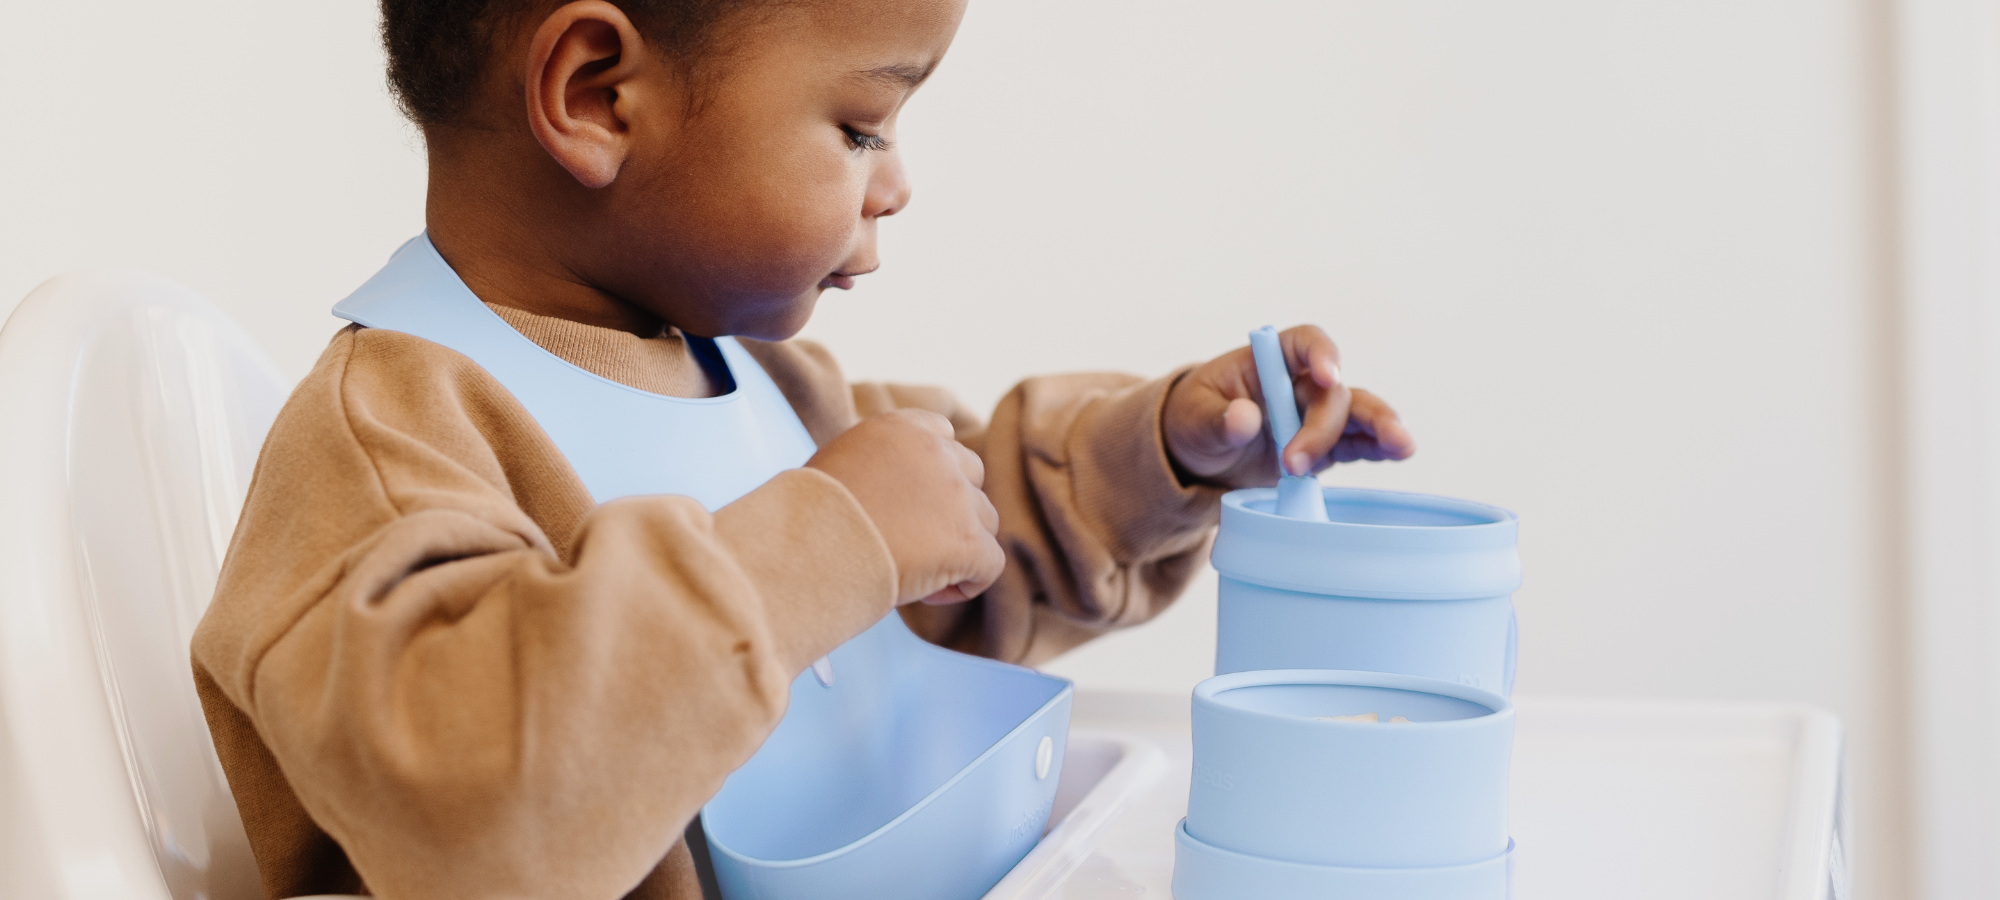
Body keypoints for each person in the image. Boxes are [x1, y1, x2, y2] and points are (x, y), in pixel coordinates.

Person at [191, 1, 1416, 898]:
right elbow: (469, 813)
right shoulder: (394, 442)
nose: (896, 186)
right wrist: (823, 546)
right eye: (863, 125)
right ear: (597, 96)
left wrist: (1164, 451)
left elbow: (957, 554)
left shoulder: (757, 382)